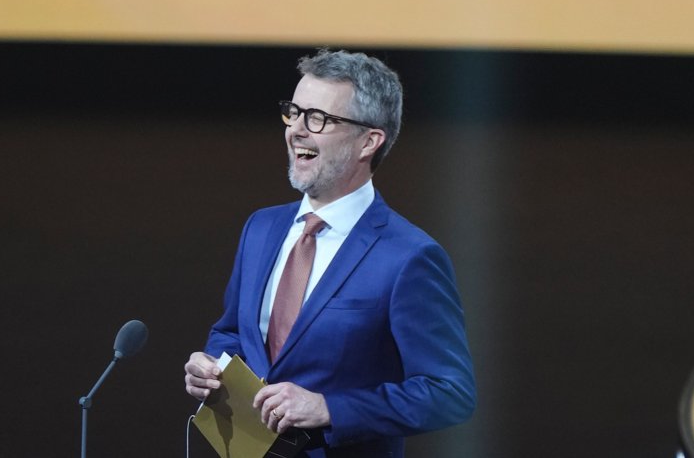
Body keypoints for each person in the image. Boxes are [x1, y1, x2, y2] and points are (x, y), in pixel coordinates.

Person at [184, 49, 476, 458]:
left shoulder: (409, 257)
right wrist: (211, 367)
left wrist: (329, 409)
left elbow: (450, 393)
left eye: (318, 118)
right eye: (294, 113)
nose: (296, 130)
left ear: (368, 141)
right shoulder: (261, 228)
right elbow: (232, 332)